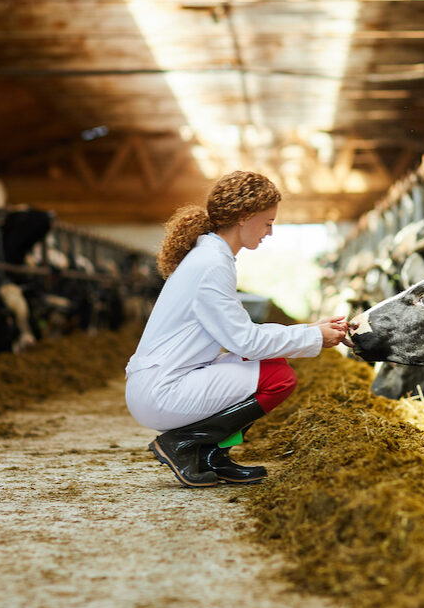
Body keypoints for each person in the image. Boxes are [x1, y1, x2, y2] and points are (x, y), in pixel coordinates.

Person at [125, 170, 349, 488]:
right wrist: (314, 337)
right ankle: (184, 443)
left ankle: (211, 456)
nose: (270, 232)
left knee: (272, 367)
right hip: (163, 391)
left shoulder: (212, 258)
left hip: (164, 380)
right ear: (245, 217)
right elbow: (246, 341)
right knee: (279, 378)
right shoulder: (211, 264)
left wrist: (312, 327)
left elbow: (239, 332)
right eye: (268, 223)